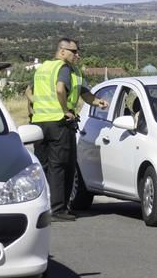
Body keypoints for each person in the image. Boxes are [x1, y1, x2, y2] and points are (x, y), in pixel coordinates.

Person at [26, 37, 108, 221]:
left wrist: (97, 101)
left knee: (44, 166)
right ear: (62, 51)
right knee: (61, 166)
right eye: (74, 51)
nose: (77, 55)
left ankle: (43, 207)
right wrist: (64, 110)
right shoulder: (64, 68)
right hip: (59, 123)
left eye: (78, 51)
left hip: (40, 123)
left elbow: (28, 92)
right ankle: (58, 210)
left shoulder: (44, 68)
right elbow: (60, 89)